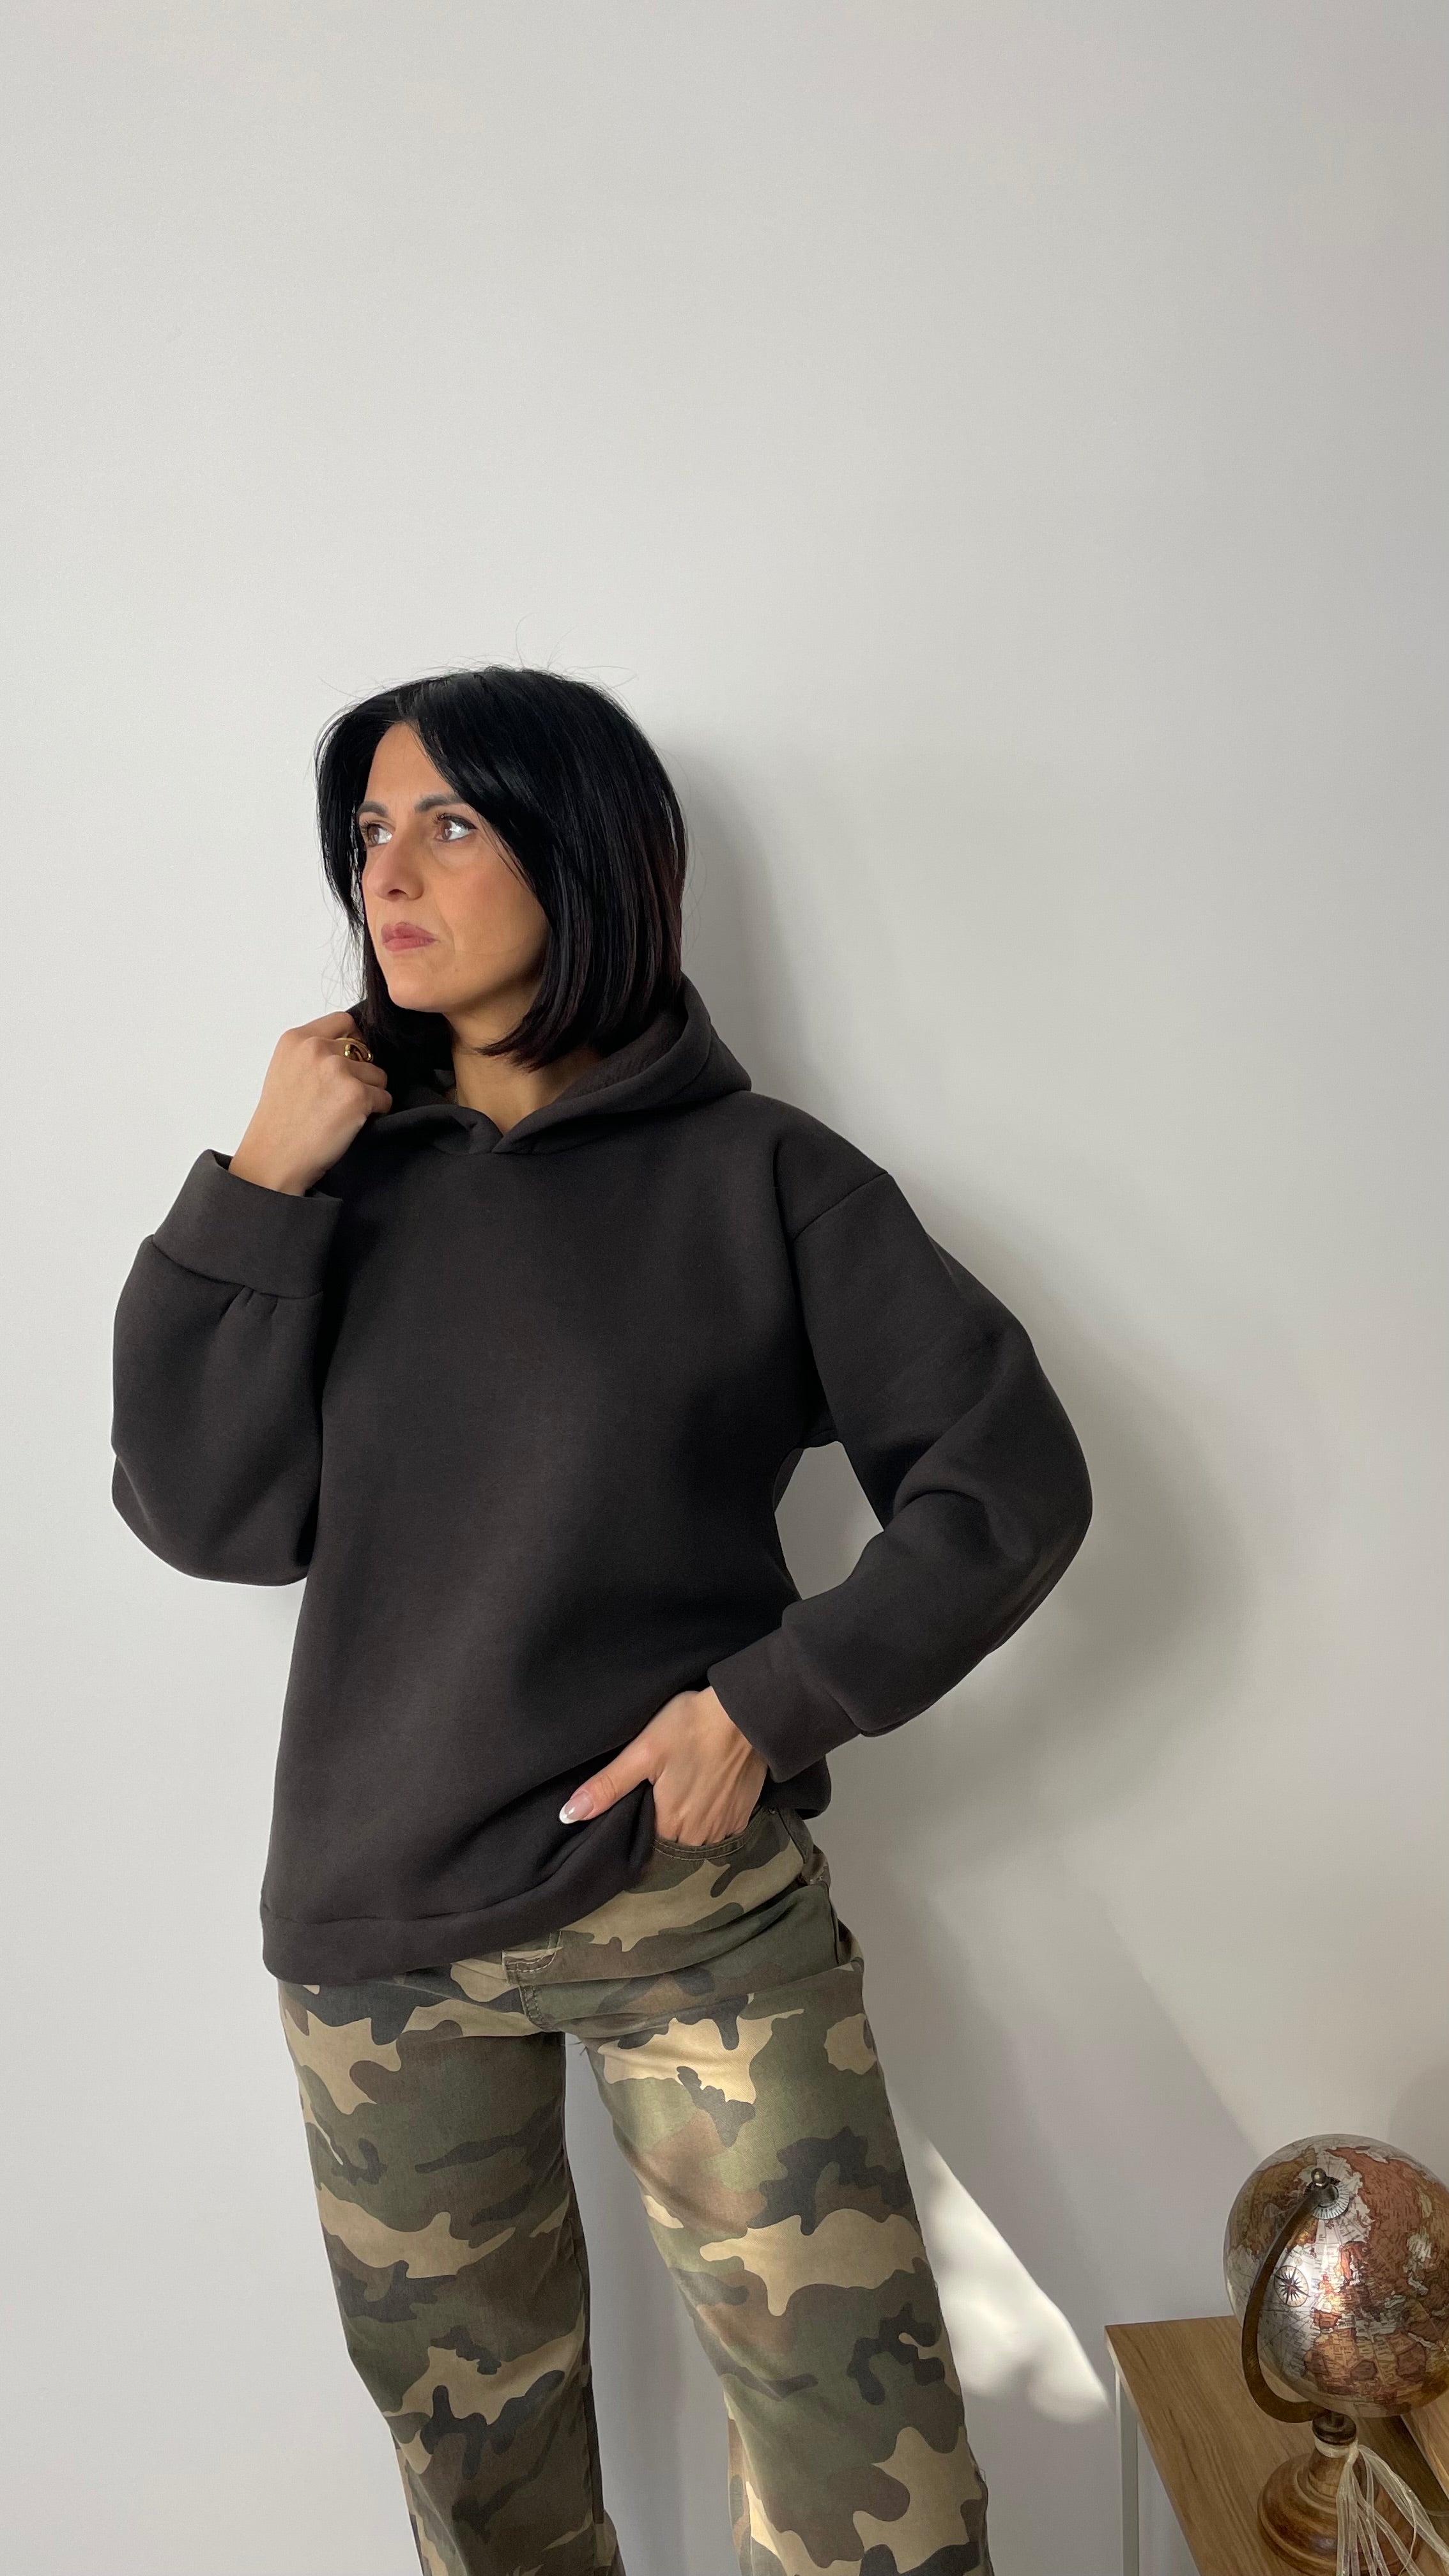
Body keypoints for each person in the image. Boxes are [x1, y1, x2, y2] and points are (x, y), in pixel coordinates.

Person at [111, 666, 1092, 2576]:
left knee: (867, 2477)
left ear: (587, 856)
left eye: (450, 823)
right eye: (368, 832)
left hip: (689, 1907)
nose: (390, 874)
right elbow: (209, 1520)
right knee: (489, 2504)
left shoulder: (765, 1177)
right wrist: (260, 1181)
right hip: (383, 1929)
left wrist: (771, 1704)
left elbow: (1006, 1483)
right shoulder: (328, 1189)